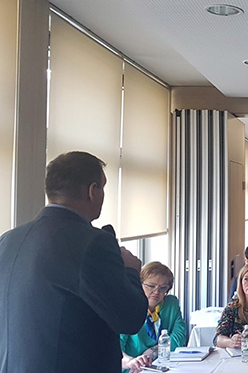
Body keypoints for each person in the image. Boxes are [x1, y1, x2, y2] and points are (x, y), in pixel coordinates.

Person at [0, 151, 147, 373]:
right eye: (103, 188)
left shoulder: (8, 240)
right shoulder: (93, 243)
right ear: (92, 191)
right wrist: (131, 271)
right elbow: (130, 318)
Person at [121, 262, 186, 373]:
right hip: (133, 369)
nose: (156, 292)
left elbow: (179, 338)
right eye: (151, 286)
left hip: (163, 366)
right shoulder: (128, 307)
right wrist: (131, 361)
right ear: (139, 284)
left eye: (163, 288)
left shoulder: (171, 303)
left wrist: (154, 351)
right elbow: (115, 349)